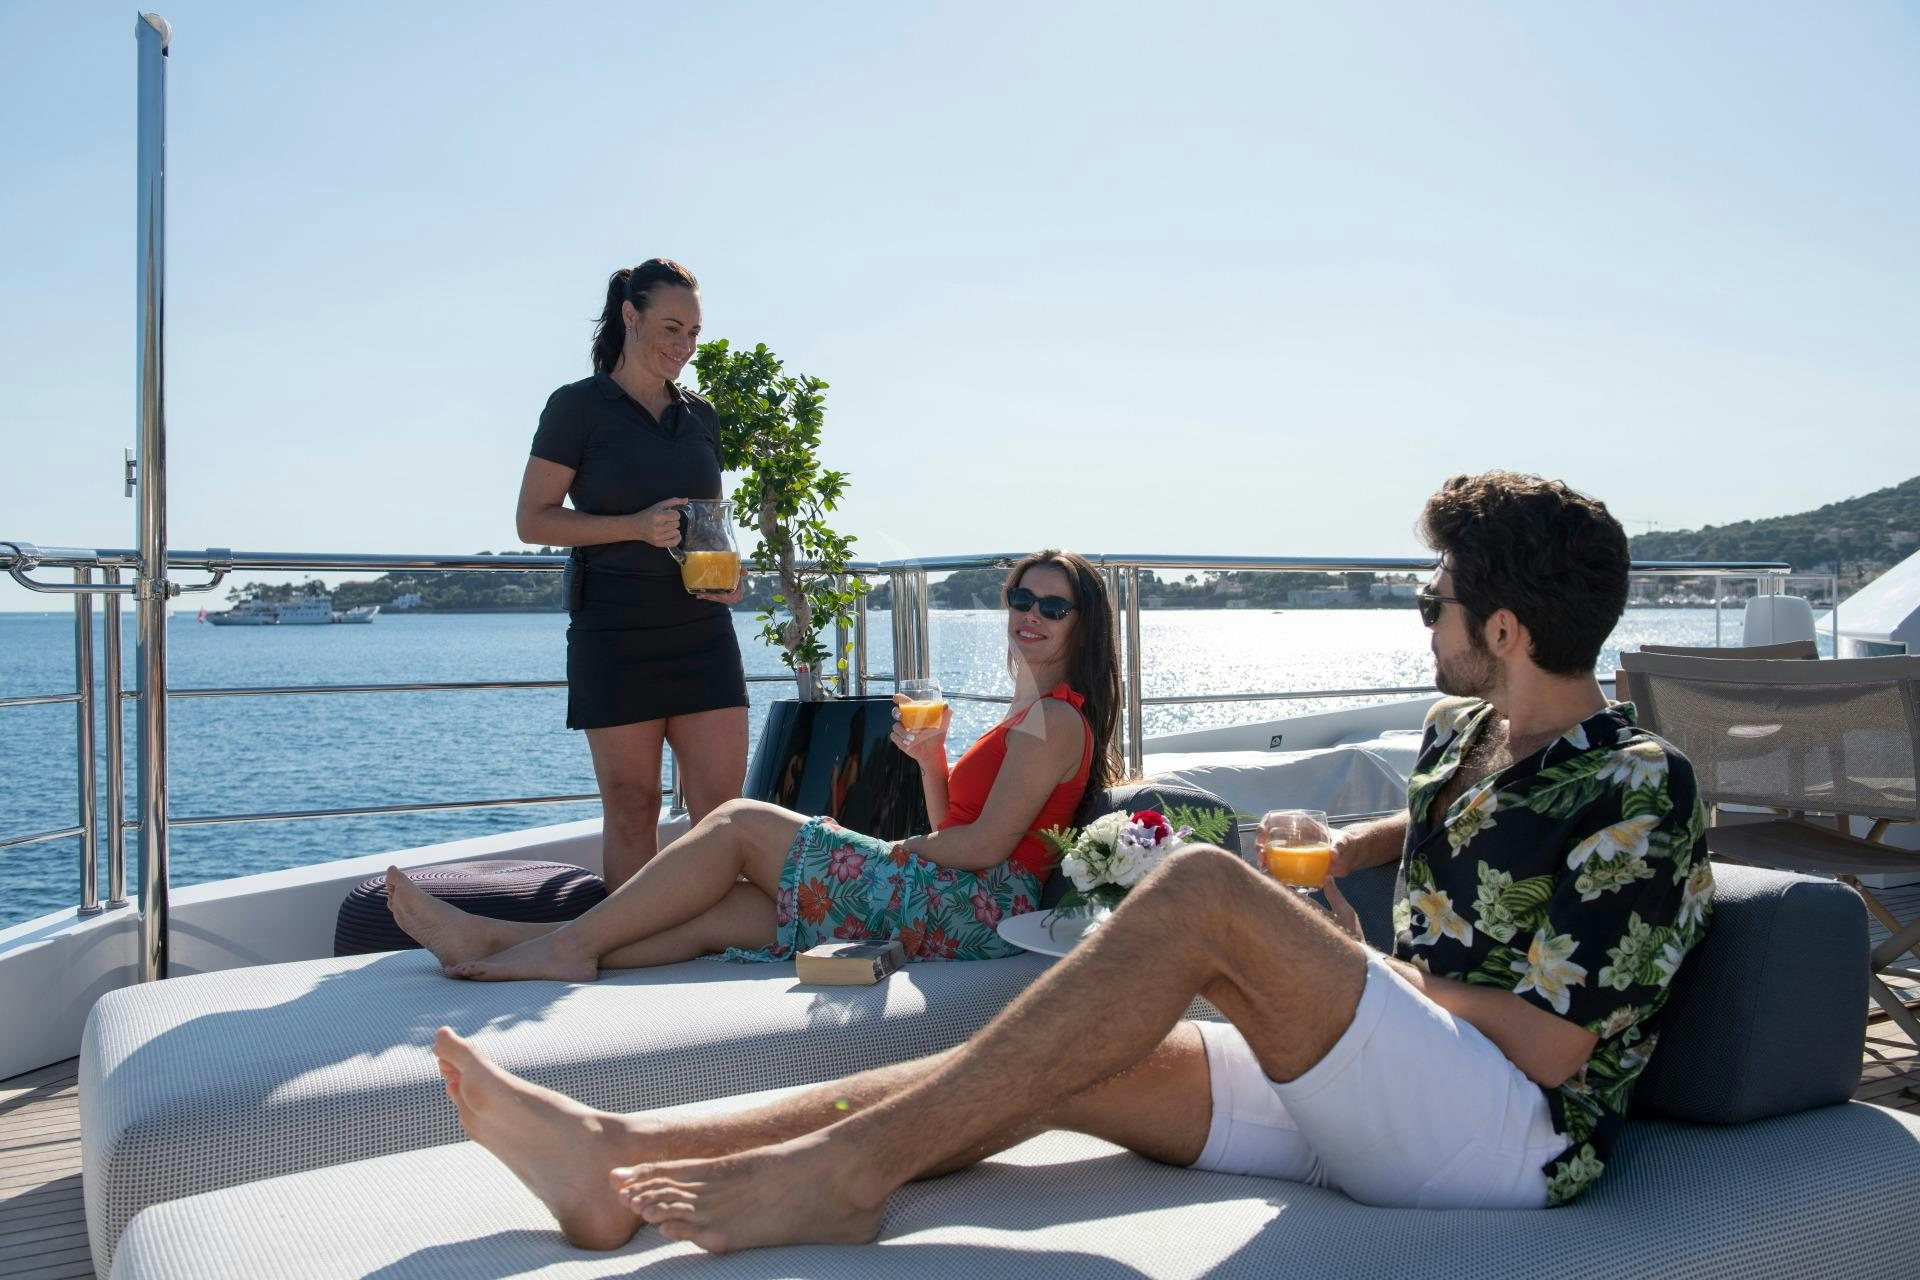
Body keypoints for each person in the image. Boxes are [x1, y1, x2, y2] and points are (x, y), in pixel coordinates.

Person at [415, 471, 1716, 1253]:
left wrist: (1318, 965)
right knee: (1027, 1065)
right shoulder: (1463, 731)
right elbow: (1431, 841)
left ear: (1501, 624)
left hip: (1500, 1137)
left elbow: (1548, 1051)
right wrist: (1344, 852)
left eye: (1433, 601)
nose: (1422, 619)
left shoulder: (1635, 793)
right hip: (1371, 1083)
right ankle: (618, 1159)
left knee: (1197, 892)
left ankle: (844, 1182)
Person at [387, 549, 1122, 981]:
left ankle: (568, 946)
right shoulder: (1033, 714)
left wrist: (900, 851)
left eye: (1052, 608)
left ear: (1082, 625)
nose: (1029, 614)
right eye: (1020, 598)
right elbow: (959, 825)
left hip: (979, 911)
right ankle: (508, 944)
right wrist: (931, 762)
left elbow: (985, 850)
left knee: (740, 822)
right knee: (727, 914)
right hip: (960, 898)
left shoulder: (1055, 718)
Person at [514, 259, 748, 888]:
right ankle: (629, 962)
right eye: (672, 328)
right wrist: (634, 526)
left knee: (724, 817)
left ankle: (710, 952)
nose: (684, 346)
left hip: (701, 626)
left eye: (694, 333)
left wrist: (732, 575)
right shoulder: (576, 408)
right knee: (631, 807)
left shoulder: (701, 416)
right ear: (629, 316)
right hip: (614, 629)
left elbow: (709, 523)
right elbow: (533, 520)